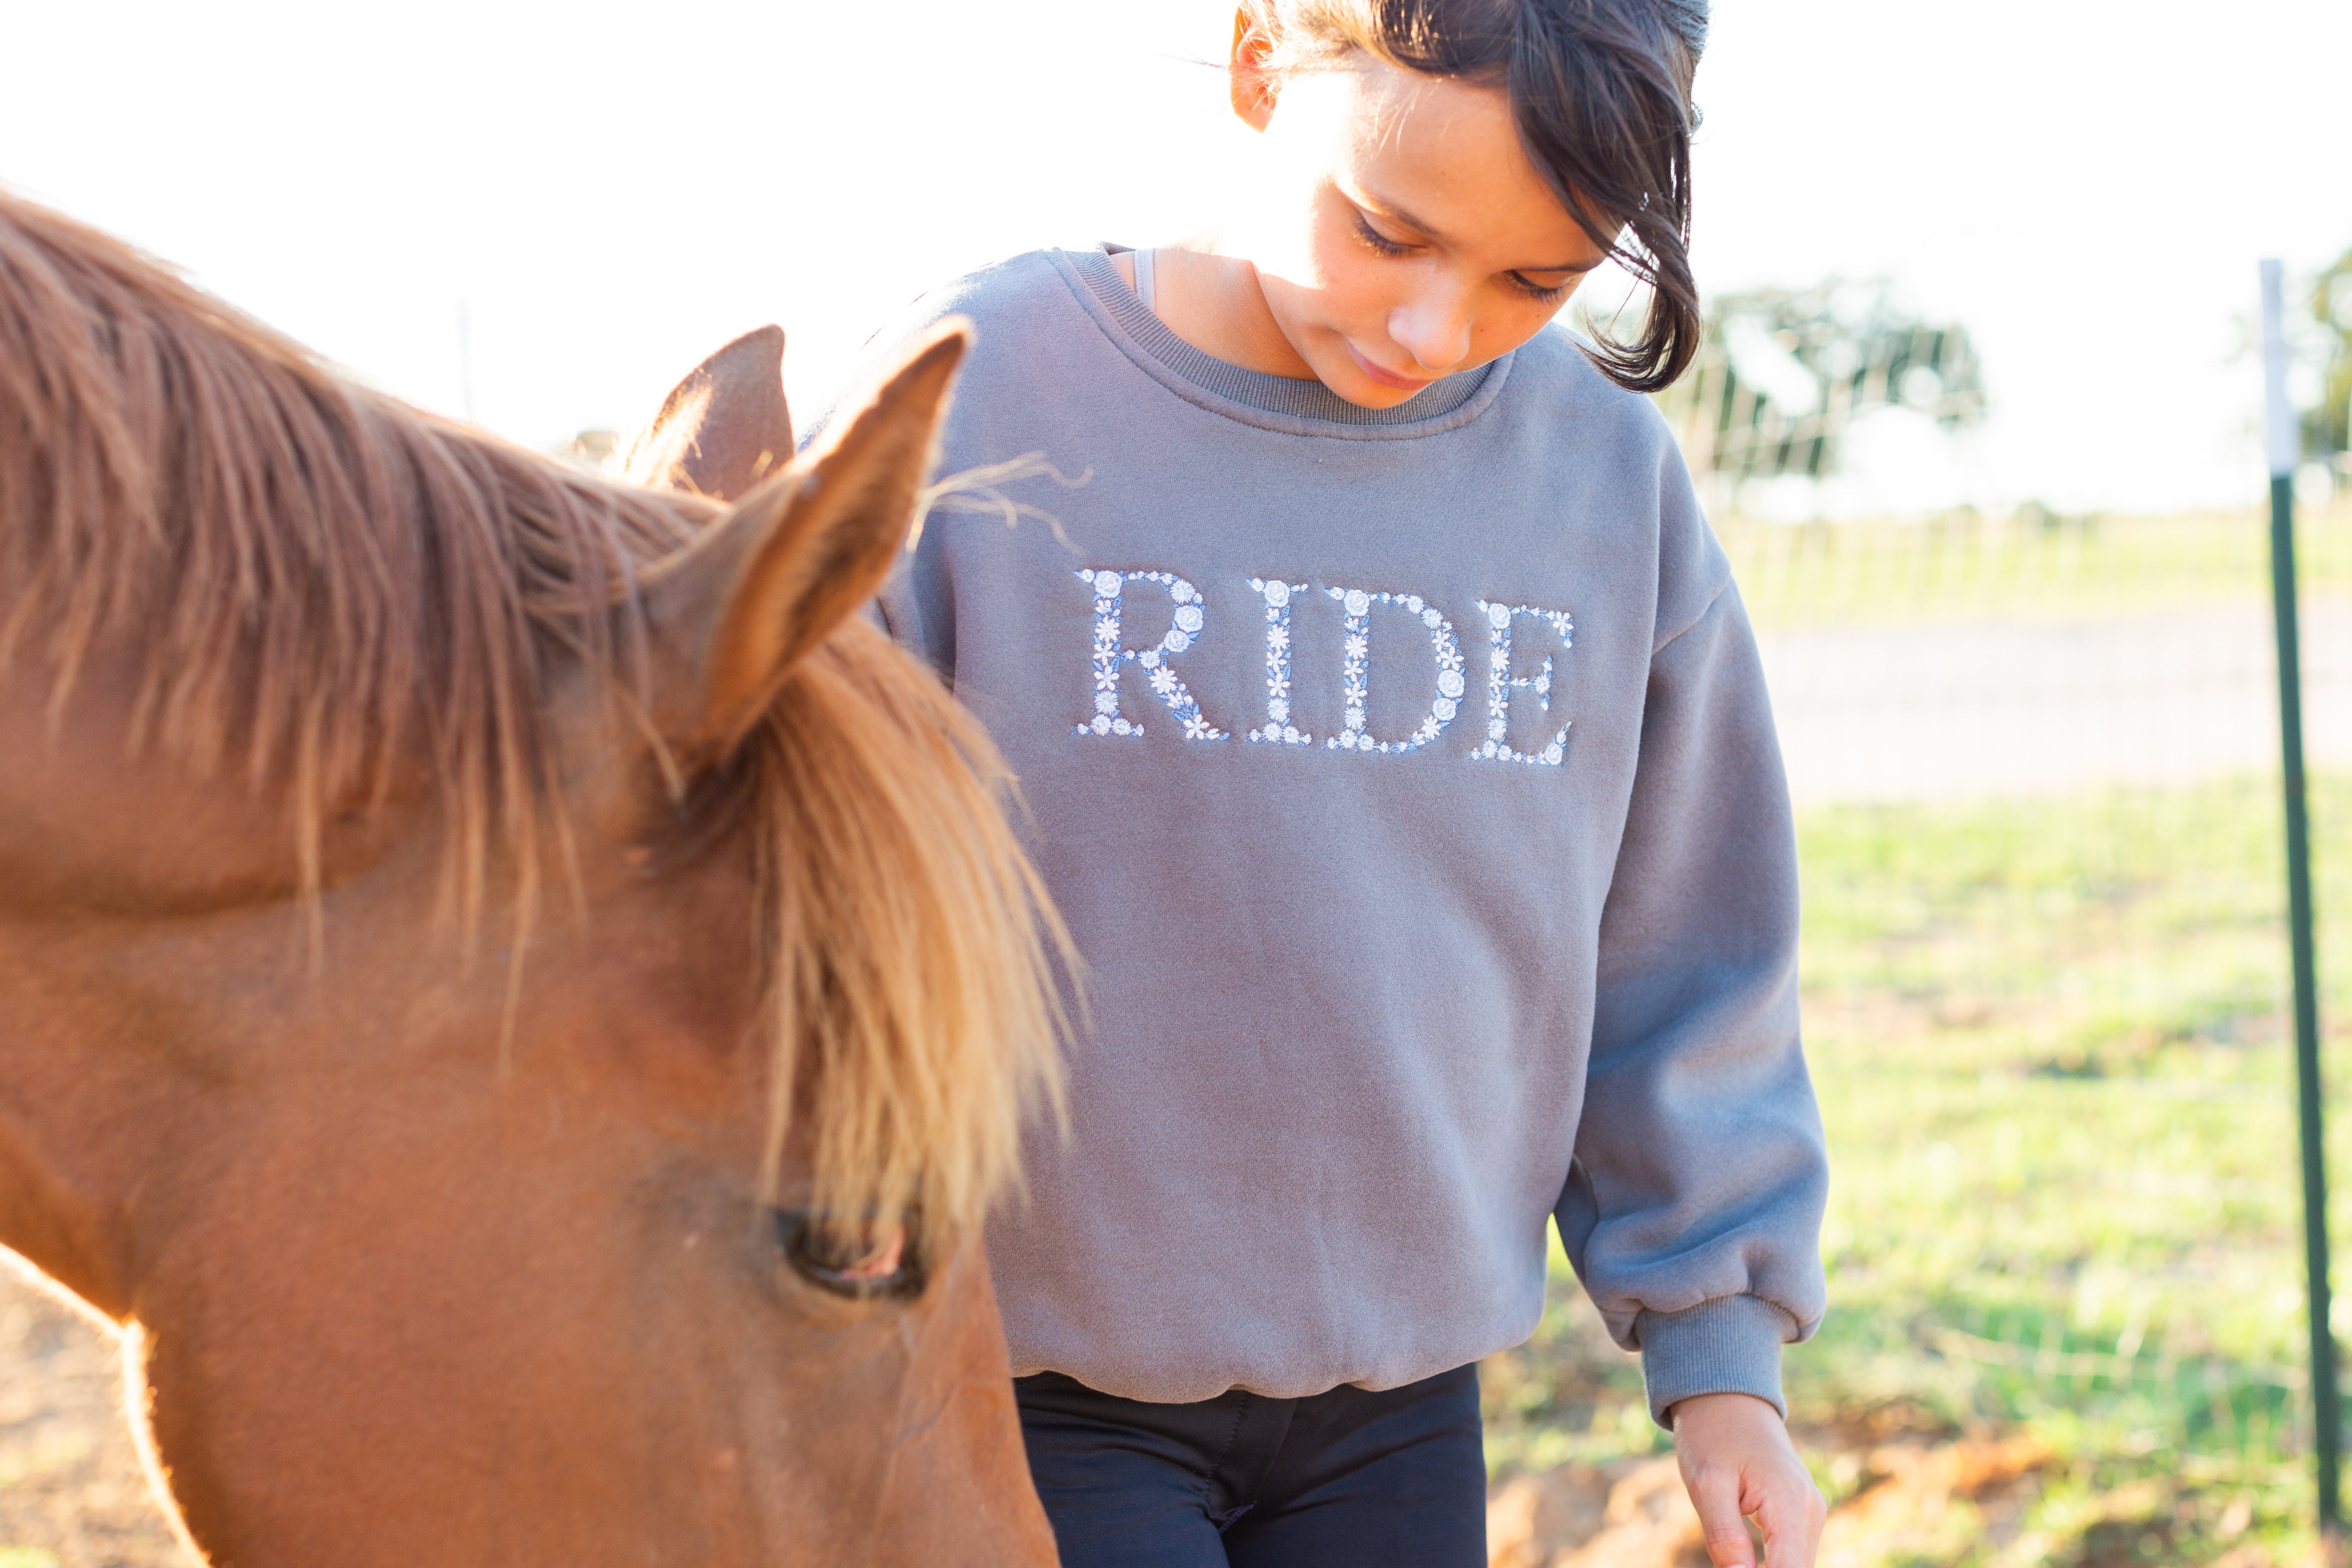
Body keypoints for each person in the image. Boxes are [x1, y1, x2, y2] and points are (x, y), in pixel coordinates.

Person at [826, 2, 1829, 1562]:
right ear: (1255, 66)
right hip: (1018, 1382)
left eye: (1532, 281)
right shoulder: (978, 395)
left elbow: (1684, 955)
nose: (1430, 327)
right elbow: (773, 860)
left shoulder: (1607, 490)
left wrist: (1723, 1358)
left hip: (1405, 1404)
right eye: (1386, 231)